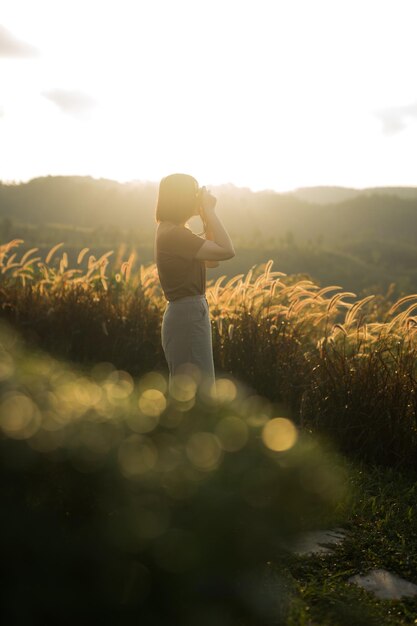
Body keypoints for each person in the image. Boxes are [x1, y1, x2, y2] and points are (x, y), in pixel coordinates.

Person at [154, 173, 235, 394]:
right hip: (188, 315)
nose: (197, 197)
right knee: (198, 393)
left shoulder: (172, 230)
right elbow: (227, 251)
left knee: (191, 391)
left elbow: (212, 261)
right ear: (181, 198)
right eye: (194, 193)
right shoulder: (176, 235)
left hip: (186, 313)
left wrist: (206, 218)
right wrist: (210, 211)